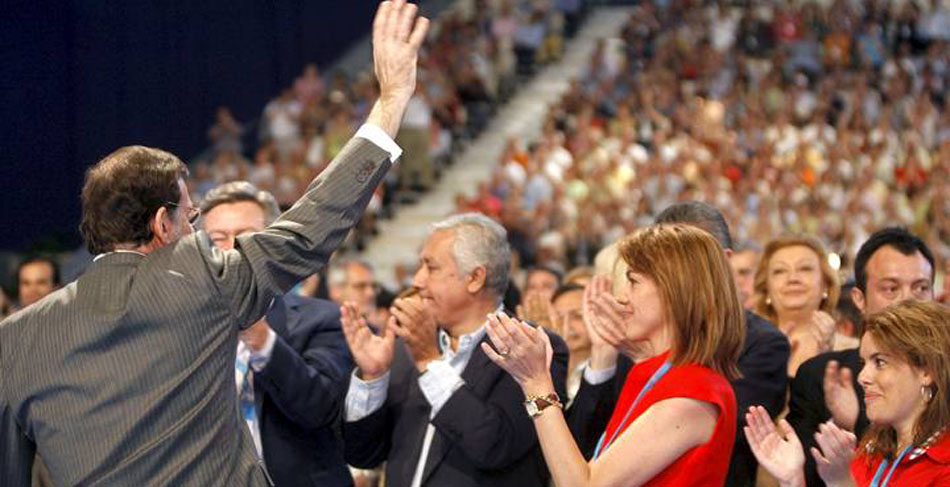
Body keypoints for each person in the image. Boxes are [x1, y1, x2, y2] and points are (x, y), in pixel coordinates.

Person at [0, 2, 429, 485]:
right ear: (164, 223)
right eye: (192, 218)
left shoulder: (14, 339)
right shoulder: (201, 275)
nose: (199, 234)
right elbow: (315, 222)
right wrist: (392, 99)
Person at [484, 224, 744, 486]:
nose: (621, 297)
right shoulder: (664, 374)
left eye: (633, 281)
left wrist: (536, 383)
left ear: (674, 290)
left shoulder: (691, 393)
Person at [567, 201, 790, 487]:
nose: (624, 297)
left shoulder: (759, 347)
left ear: (719, 262)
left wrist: (538, 389)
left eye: (683, 258)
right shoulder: (635, 338)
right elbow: (581, 445)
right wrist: (603, 356)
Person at [341, 213, 569, 487]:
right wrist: (373, 378)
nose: (417, 280)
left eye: (431, 267)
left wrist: (429, 362)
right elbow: (363, 454)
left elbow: (495, 446)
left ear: (475, 278)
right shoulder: (407, 348)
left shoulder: (531, 348)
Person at [200, 181, 354, 487]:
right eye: (218, 239)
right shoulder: (185, 329)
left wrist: (262, 341)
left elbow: (321, 409)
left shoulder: (321, 319)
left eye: (245, 236)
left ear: (274, 242)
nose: (232, 249)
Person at [787, 227, 936, 487]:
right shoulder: (820, 377)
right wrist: (844, 427)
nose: (907, 301)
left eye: (921, 288)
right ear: (859, 299)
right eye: (891, 289)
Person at [747, 299, 950, 487]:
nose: (862, 377)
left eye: (880, 362)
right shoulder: (874, 448)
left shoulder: (944, 464)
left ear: (926, 371)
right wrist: (793, 480)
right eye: (864, 362)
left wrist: (842, 482)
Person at [753, 234, 846, 377]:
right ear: (766, 288)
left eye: (805, 268)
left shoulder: (853, 350)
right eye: (780, 271)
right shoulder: (745, 350)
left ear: (826, 284)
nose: (793, 278)